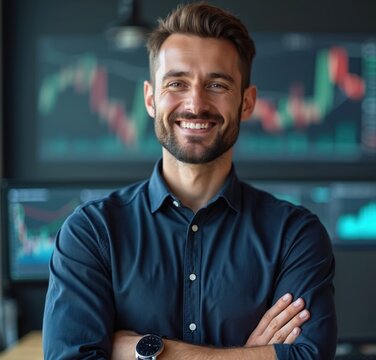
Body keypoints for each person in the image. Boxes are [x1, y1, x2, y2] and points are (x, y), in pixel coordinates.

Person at [42, 2, 337, 359]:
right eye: (177, 83)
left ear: (247, 102)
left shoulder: (295, 236)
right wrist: (251, 355)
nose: (195, 104)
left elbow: (309, 355)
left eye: (217, 84)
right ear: (151, 99)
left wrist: (148, 352)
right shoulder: (91, 234)